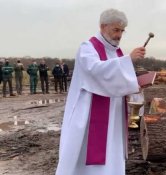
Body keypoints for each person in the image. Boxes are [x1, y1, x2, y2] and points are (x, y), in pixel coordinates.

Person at [56, 8, 145, 175]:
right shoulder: (87, 48)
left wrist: (135, 84)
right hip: (89, 113)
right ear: (103, 26)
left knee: (111, 150)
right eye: (116, 30)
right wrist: (128, 60)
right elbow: (96, 71)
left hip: (114, 114)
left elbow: (119, 78)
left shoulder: (116, 51)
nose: (119, 35)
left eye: (122, 31)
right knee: (85, 158)